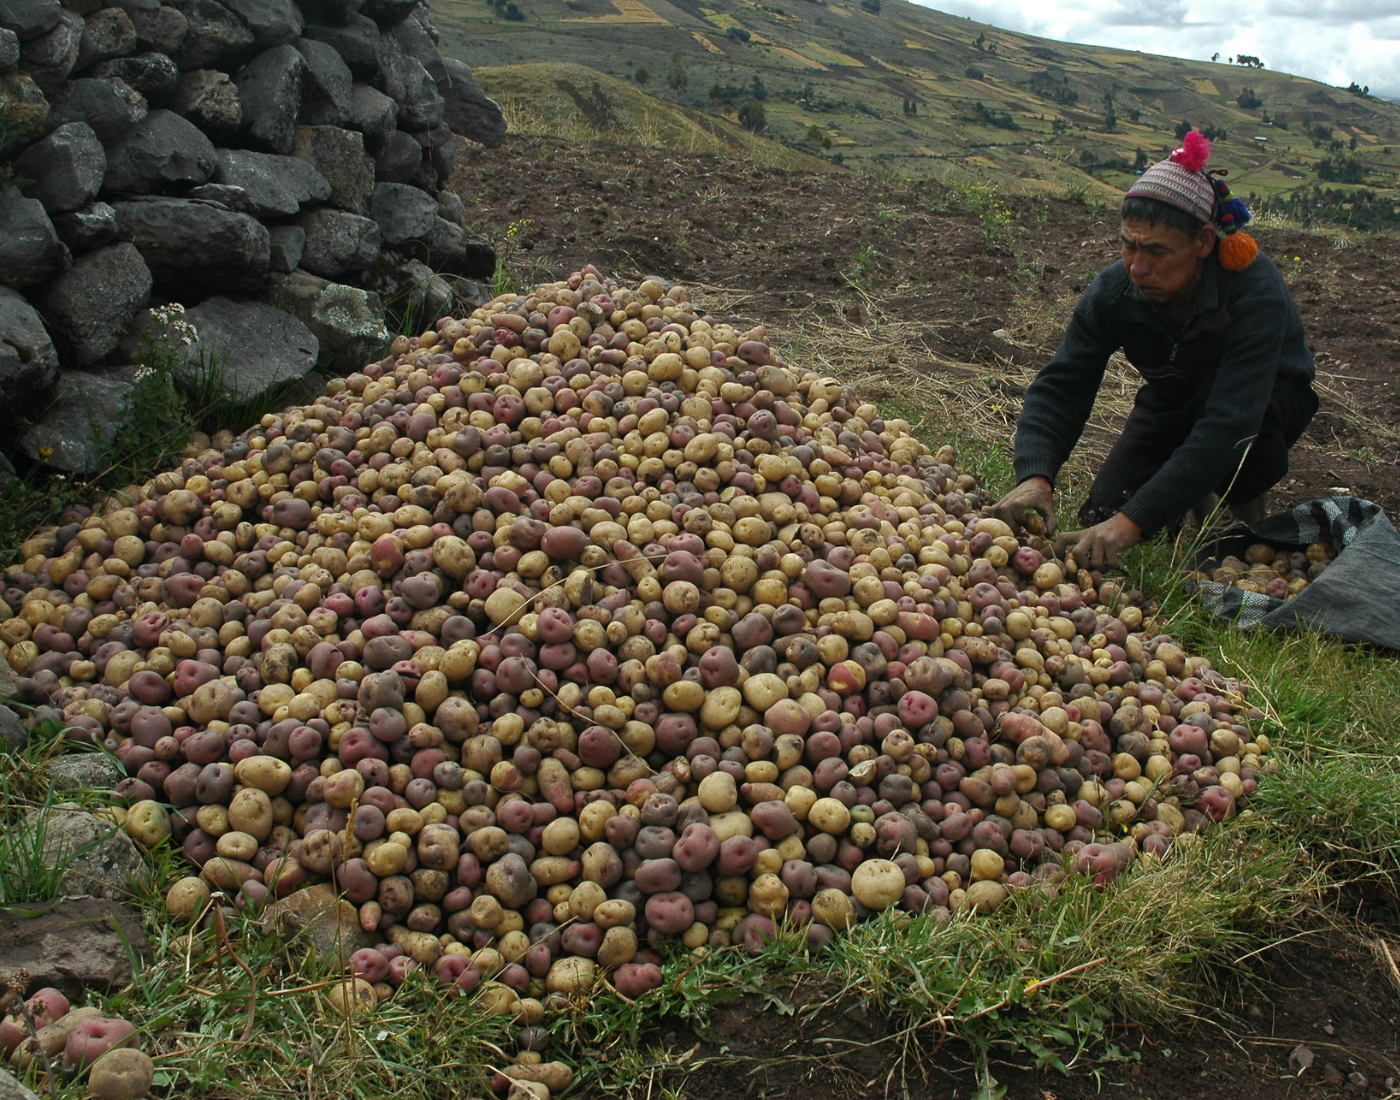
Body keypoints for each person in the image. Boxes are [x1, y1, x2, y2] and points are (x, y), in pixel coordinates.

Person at [990, 130, 1319, 567]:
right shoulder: (1115, 290)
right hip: (1176, 392)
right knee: (1105, 511)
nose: (1138, 267)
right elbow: (1063, 384)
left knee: (1233, 455)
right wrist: (1036, 475)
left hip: (1264, 401)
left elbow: (1228, 422)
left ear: (1203, 242)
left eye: (1157, 252)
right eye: (1129, 245)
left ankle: (1240, 516)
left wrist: (1132, 523)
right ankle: (1184, 489)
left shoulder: (1254, 292)